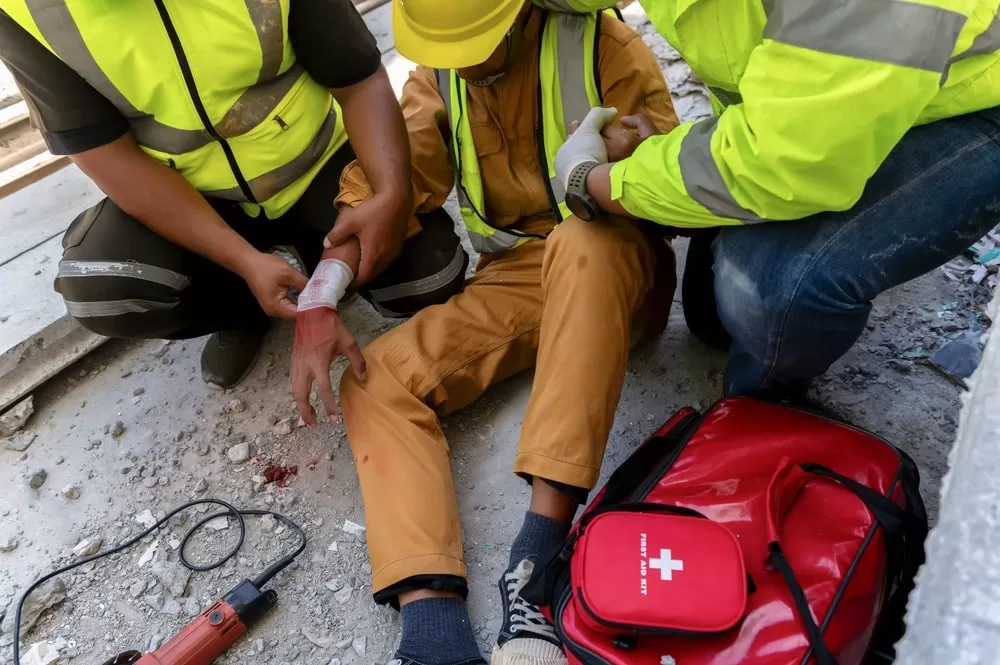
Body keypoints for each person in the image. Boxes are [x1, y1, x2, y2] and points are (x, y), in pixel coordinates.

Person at [295, 1, 678, 663]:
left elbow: (680, 179)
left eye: (476, 42)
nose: (463, 61)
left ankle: (537, 562)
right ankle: (433, 629)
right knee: (375, 378)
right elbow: (394, 182)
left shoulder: (604, 47)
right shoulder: (439, 73)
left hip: (613, 263)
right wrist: (322, 291)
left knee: (584, 243)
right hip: (520, 273)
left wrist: (630, 154)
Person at [0, 0, 468, 389]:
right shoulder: (26, 11)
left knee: (430, 275)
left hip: (313, 162)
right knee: (102, 287)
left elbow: (359, 79)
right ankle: (246, 304)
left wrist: (387, 191)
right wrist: (241, 260)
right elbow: (108, 155)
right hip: (194, 201)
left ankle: (311, 266)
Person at [552, 0, 1000, 399]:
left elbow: (784, 163)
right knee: (713, 320)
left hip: (969, 100)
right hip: (808, 115)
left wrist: (596, 182)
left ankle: (766, 412)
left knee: (768, 292)